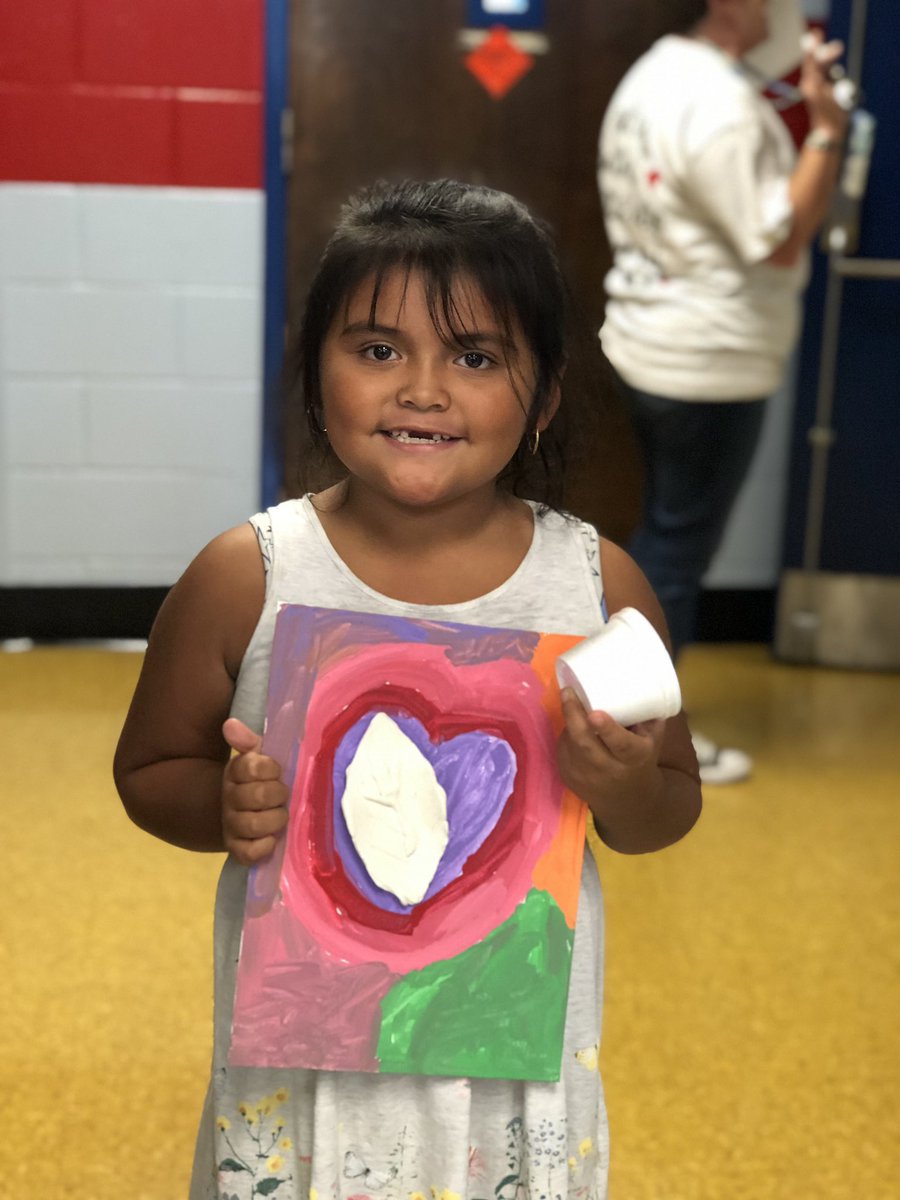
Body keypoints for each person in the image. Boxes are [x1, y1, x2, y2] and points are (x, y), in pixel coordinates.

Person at [113, 178, 702, 1200]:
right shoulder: (249, 575)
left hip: (508, 1074)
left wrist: (623, 785)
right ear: (317, 371)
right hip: (302, 1069)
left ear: (543, 397)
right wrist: (221, 805)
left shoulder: (597, 587)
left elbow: (670, 805)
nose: (422, 390)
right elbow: (149, 768)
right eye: (379, 350)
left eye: (475, 358)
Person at [597, 0, 849, 783]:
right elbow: (778, 239)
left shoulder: (657, 76)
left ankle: (613, 711)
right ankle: (630, 733)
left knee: (666, 537)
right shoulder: (720, 105)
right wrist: (828, 130)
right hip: (706, 360)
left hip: (652, 341)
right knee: (675, 556)